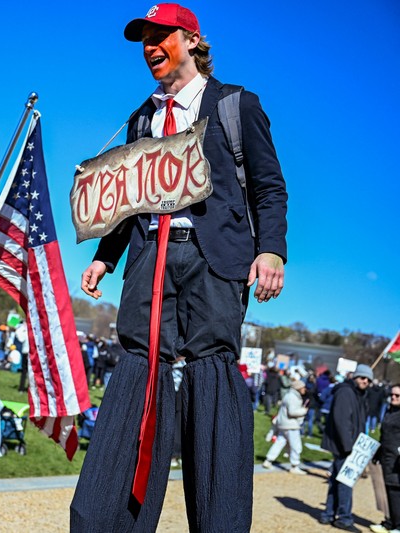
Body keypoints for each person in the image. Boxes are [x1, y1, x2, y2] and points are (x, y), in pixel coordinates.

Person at [71, 4, 288, 531]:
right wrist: (105, 256)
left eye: (159, 35)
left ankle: (219, 519)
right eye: (143, 39)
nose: (149, 46)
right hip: (150, 257)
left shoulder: (237, 105)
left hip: (214, 259)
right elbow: (127, 197)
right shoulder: (143, 117)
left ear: (191, 40)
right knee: (139, 362)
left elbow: (268, 186)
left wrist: (272, 250)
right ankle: (109, 519)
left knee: (211, 367)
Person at [320, 363, 371, 531]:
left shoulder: (357, 393)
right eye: (362, 378)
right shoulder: (346, 392)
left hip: (348, 444)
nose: (365, 381)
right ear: (355, 377)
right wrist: (348, 447)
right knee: (345, 483)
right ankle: (344, 518)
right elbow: (341, 421)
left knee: (336, 480)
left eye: (368, 379)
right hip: (345, 446)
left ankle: (328, 514)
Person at [262, 380, 308, 475]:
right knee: (296, 446)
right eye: (303, 387)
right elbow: (292, 412)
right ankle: (294, 465)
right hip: (290, 425)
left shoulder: (290, 395)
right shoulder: (292, 397)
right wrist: (303, 411)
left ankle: (268, 460)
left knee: (279, 443)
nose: (305, 389)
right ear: (298, 388)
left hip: (285, 424)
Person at [371, 384, 400, 533]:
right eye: (392, 395)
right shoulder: (389, 411)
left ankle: (398, 525)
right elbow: (384, 436)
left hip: (397, 460)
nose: (393, 397)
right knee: (388, 490)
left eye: (397, 396)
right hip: (386, 457)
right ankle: (390, 521)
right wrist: (377, 453)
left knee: (396, 490)